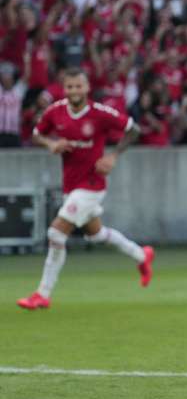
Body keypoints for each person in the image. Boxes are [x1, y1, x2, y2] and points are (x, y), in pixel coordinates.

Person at [17, 67, 155, 311]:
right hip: (71, 184)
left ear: (87, 87)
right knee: (97, 234)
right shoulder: (55, 111)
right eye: (69, 87)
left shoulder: (100, 113)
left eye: (78, 86)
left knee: (56, 234)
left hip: (92, 184)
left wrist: (113, 156)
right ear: (64, 88)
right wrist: (52, 144)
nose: (74, 91)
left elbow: (134, 129)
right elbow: (37, 134)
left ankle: (42, 294)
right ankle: (142, 256)